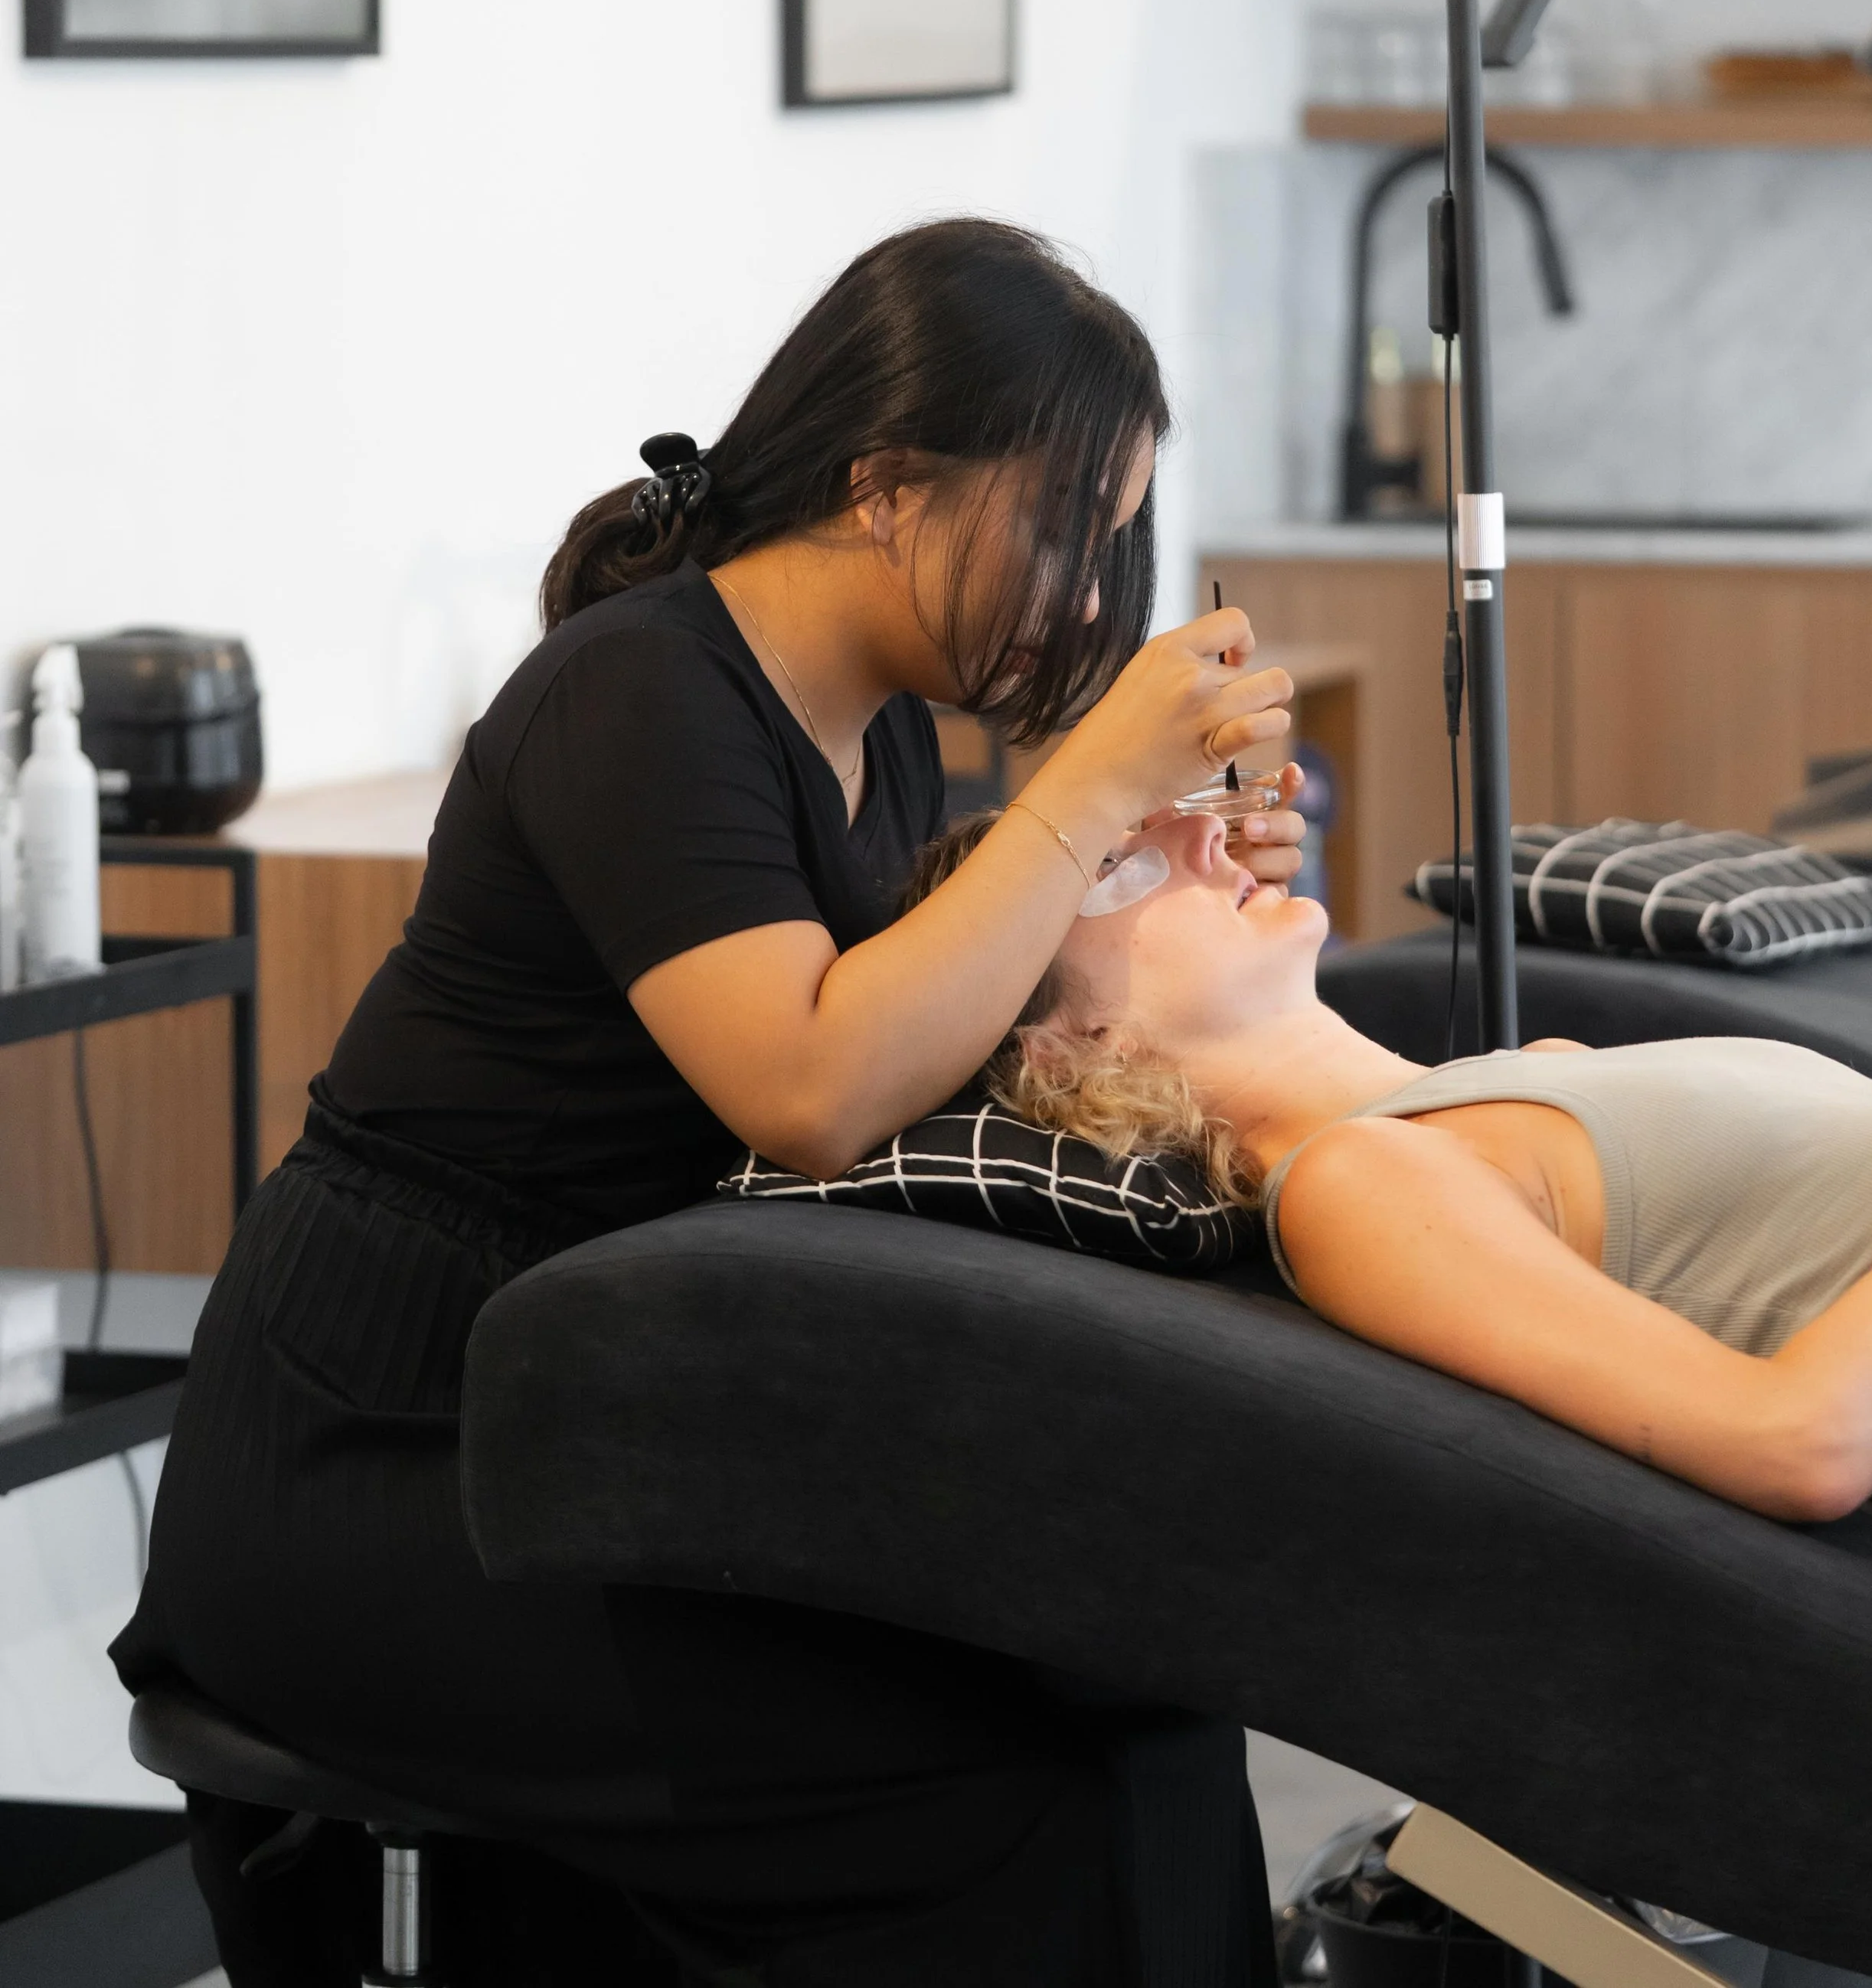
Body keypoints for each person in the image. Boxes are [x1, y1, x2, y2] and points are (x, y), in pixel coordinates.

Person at [114, 219, 1307, 1986]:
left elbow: (907, 1039)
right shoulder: (635, 694)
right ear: (887, 482)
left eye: (1110, 539)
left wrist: (1130, 859)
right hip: (395, 1439)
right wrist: (1078, 796)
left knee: (1137, 1705)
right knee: (979, 1787)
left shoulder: (879, 725)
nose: (1079, 593)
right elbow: (817, 1089)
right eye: (1063, 524)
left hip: (619, 1408)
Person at [908, 805, 1872, 1525]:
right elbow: (1800, 1442)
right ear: (1074, 1042)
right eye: (1119, 862)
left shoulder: (1530, 1078)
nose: (1202, 832)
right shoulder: (1358, 1182)